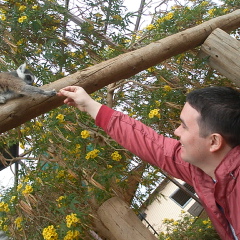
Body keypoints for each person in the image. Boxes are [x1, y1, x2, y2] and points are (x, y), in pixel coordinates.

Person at [58, 86, 240, 240]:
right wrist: (89, 104)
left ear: (214, 142)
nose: (176, 132)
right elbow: (152, 145)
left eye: (184, 126)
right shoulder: (205, 171)